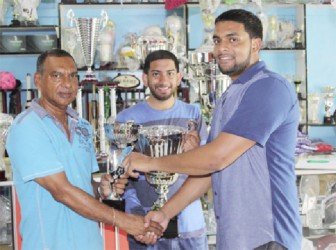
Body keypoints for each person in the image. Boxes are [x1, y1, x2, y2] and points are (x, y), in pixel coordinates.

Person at [124, 9, 302, 250]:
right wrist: (166, 212)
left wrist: (149, 162)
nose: (221, 48)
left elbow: (215, 158)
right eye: (217, 40)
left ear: (256, 44)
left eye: (233, 39)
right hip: (234, 238)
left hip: (268, 237)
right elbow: (209, 171)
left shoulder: (268, 87)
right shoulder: (230, 95)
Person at [5, 49, 162, 250]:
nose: (67, 83)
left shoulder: (82, 126)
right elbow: (62, 191)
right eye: (56, 75)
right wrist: (125, 221)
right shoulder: (26, 127)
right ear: (38, 80)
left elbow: (86, 185)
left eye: (73, 76)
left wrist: (103, 187)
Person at [116, 49, 209, 250]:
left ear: (179, 77)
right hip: (145, 225)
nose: (163, 80)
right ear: (145, 78)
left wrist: (193, 154)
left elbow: (206, 168)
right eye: (156, 74)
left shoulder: (193, 114)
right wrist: (137, 216)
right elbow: (122, 174)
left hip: (189, 223)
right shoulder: (127, 119)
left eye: (169, 73)